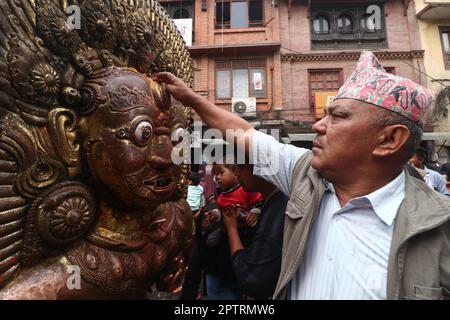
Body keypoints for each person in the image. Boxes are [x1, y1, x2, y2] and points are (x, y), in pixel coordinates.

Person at [155, 50, 450, 300]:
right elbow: (243, 133)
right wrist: (190, 99)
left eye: (339, 116)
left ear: (388, 140)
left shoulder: (439, 230)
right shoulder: (305, 176)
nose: (319, 126)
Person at [222, 164, 288, 299]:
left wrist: (232, 229)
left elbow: (251, 280)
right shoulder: (275, 201)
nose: (237, 173)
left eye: (240, 166)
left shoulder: (277, 211)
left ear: (262, 165)